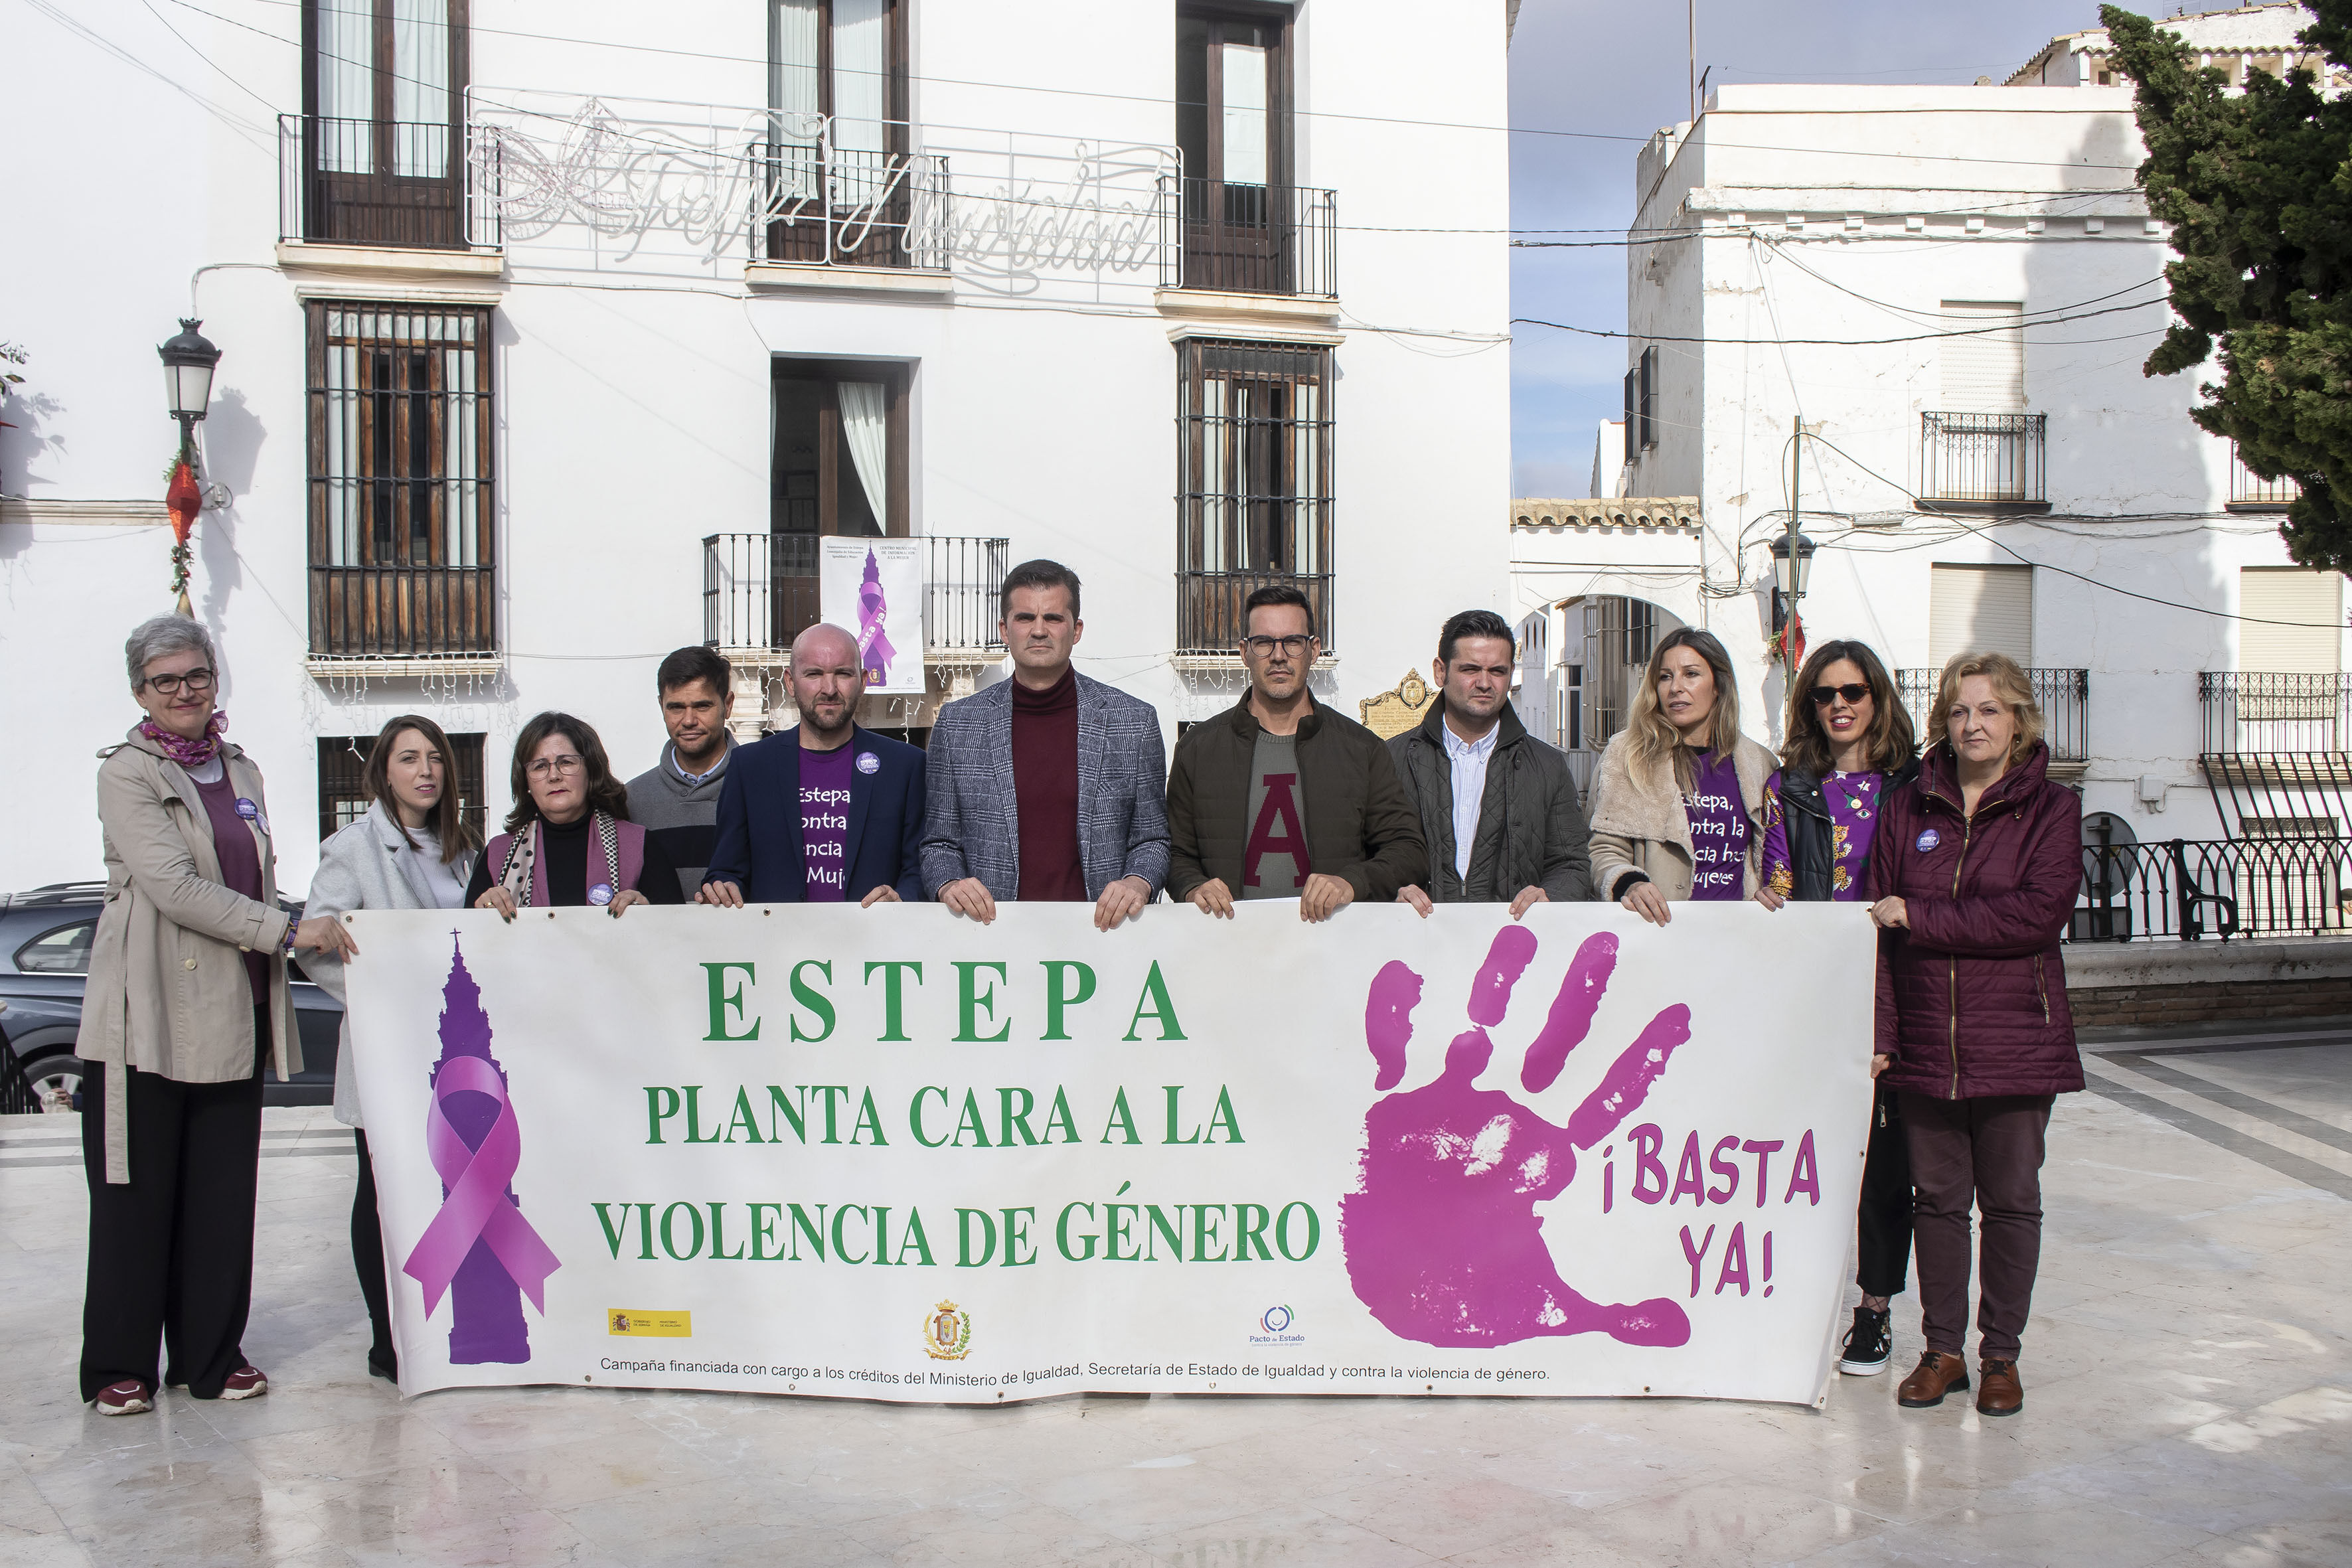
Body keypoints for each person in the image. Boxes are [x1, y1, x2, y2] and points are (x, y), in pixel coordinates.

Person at [80, 615, 357, 1415]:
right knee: (137, 1197)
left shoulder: (242, 770)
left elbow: (252, 871)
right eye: (165, 679)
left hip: (234, 1007)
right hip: (150, 1012)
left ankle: (210, 1356)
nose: (184, 690)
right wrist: (286, 931)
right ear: (141, 692)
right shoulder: (127, 773)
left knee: (222, 1197)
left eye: (196, 675)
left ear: (214, 680)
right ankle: (120, 1364)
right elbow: (174, 886)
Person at [1868, 651, 2082, 1419]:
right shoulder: (1909, 806)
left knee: (2013, 1202)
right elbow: (1877, 927)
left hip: (2018, 1038)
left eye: (1990, 709)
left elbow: (2037, 915)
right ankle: (1942, 1352)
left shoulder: (2053, 809)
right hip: (1926, 1040)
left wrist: (1922, 916)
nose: (1973, 724)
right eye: (1960, 711)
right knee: (1937, 1202)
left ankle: (2001, 1358)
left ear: (2018, 720)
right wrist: (1883, 1033)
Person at [1754, 640, 1920, 1379]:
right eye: (1824, 694)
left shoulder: (1913, 787)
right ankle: (1795, 1304)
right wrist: (1768, 898)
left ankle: (1873, 1310)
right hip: (1815, 994)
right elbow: (1781, 881)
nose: (1839, 705)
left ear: (1877, 697)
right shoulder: (1790, 788)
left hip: (1895, 993)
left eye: (1853, 691)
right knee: (1804, 1162)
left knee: (1883, 1168)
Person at [299, 715, 481, 1383]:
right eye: (409, 758)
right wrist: (384, 1002)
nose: (425, 770)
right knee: (382, 1191)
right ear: (383, 771)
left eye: (435, 757)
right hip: (390, 1049)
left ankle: (450, 1328)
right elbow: (318, 944)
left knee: (452, 1187)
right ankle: (389, 1340)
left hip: (459, 1049)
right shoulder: (353, 848)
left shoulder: (466, 846)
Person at [920, 559, 1168, 930]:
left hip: (1103, 936)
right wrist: (950, 883)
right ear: (1004, 629)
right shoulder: (958, 725)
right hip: (991, 937)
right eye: (1025, 618)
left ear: (1076, 630)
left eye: (1053, 618)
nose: (1039, 631)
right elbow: (938, 844)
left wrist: (1137, 882)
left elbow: (1153, 839)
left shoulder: (1134, 722)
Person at [1168, 585, 1427, 921]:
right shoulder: (1197, 749)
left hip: (1332, 943)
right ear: (1245, 652)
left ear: (1314, 650)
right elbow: (1174, 853)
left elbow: (1407, 850)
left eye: (1293, 642)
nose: (1279, 656)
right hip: (1228, 941)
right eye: (1264, 642)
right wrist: (1192, 886)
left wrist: (1352, 882)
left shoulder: (1362, 750)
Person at [701, 623, 927, 906]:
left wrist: (902, 899)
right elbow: (726, 869)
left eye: (843, 674)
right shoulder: (749, 767)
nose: (829, 689)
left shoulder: (906, 766)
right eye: (814, 674)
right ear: (790, 682)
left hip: (872, 933)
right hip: (778, 934)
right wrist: (722, 889)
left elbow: (920, 868)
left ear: (863, 681)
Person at [1389, 609, 1595, 917]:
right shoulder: (1392, 759)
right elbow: (1367, 858)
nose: (1484, 683)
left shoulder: (1548, 766)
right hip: (1418, 938)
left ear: (1511, 674)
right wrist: (1390, 892)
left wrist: (1550, 897)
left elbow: (1572, 864)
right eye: (1470, 669)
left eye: (1497, 671)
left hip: (1512, 940)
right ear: (1440, 672)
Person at [1588, 627, 1775, 924]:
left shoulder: (1759, 763)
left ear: (1719, 685)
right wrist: (1630, 883)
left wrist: (1769, 892)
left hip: (1737, 934)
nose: (1676, 687)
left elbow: (1773, 855)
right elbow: (1601, 849)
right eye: (1665, 676)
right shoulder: (1628, 756)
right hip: (1658, 930)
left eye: (1691, 674)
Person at [466, 713, 686, 913]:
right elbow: (469, 939)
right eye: (540, 766)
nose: (554, 776)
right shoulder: (497, 855)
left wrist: (649, 915)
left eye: (566, 763)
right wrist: (482, 915)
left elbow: (676, 931)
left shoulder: (639, 845)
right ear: (526, 782)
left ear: (592, 771)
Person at [625, 647, 737, 901]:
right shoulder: (631, 801)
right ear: (661, 707)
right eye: (676, 707)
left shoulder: (763, 789)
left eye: (702, 706)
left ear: (727, 705)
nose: (688, 720)